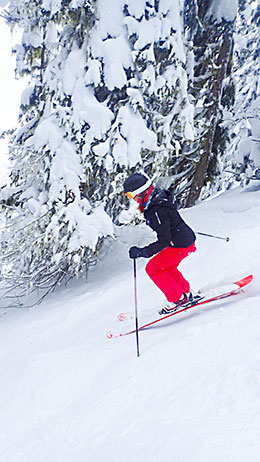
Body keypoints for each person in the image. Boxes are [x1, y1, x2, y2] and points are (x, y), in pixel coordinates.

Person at [123, 172, 198, 314]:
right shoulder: (157, 199)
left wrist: (142, 252)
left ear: (142, 192)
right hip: (182, 240)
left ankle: (176, 299)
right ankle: (185, 293)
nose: (133, 200)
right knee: (167, 267)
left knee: (153, 268)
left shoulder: (156, 209)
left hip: (179, 244)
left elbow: (163, 240)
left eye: (132, 196)